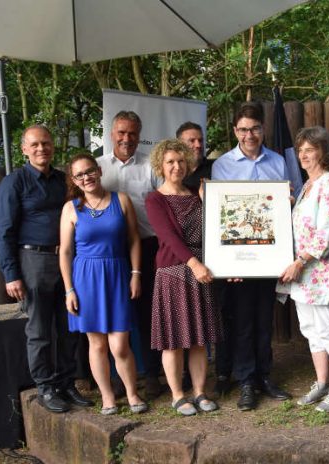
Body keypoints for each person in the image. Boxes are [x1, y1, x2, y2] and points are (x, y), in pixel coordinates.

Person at [0, 125, 92, 413]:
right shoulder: (15, 183)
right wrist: (11, 274)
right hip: (32, 261)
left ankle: (65, 382)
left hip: (66, 261)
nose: (42, 149)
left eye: (46, 143)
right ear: (24, 149)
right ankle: (46, 386)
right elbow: (4, 232)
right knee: (39, 330)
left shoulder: (64, 180)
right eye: (35, 144)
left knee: (68, 327)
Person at [211, 102, 293, 411]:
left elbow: (287, 205)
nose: (249, 135)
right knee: (242, 321)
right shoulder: (222, 166)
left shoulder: (278, 163)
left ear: (263, 129)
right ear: (235, 131)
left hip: (270, 257)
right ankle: (245, 379)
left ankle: (264, 376)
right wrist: (224, 262)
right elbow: (221, 216)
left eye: (255, 128)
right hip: (238, 261)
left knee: (263, 319)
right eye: (243, 129)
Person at [58, 153, 146, 415]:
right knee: (96, 344)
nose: (86, 177)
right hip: (85, 278)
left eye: (89, 171)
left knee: (120, 344)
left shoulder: (122, 200)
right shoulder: (71, 208)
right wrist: (69, 290)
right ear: (74, 180)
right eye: (80, 175)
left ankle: (132, 393)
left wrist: (136, 273)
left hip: (117, 274)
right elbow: (64, 252)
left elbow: (134, 239)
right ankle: (107, 396)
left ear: (98, 170)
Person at [277, 127, 329, 413]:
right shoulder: (307, 186)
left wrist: (298, 262)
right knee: (311, 329)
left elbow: (325, 234)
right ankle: (322, 383)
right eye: (301, 150)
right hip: (304, 274)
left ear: (323, 151)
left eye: (310, 149)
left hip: (323, 269)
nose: (304, 155)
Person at [145, 139, 221, 415]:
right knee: (174, 340)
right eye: (170, 162)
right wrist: (194, 264)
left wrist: (204, 201)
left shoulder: (197, 192)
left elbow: (216, 228)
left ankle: (200, 392)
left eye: (180, 161)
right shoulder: (155, 199)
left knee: (200, 338)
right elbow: (168, 237)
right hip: (175, 273)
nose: (176, 166)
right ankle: (178, 395)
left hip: (201, 272)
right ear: (160, 166)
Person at [96, 111, 163, 399]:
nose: (127, 138)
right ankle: (118, 379)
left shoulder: (151, 165)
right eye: (121, 133)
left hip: (147, 248)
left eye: (132, 133)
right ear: (111, 134)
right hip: (107, 252)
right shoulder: (97, 167)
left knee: (148, 313)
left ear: (139, 135)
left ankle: (152, 375)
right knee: (113, 315)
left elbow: (164, 203)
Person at [177, 122, 214, 192]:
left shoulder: (216, 168)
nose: (198, 145)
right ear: (180, 145)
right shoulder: (174, 171)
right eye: (192, 141)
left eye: (200, 140)